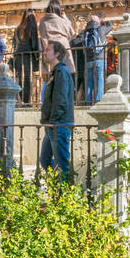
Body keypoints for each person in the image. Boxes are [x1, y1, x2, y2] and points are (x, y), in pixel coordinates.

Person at [38, 39, 75, 186]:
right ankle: (57, 187)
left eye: (48, 50)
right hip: (52, 125)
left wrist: (53, 121)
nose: (44, 52)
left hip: (59, 124)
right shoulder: (54, 72)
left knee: (62, 164)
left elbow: (61, 100)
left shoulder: (61, 72)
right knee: (45, 160)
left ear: (57, 54)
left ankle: (65, 196)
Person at [38, 0, 77, 87]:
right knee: (64, 75)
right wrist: (65, 19)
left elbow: (42, 34)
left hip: (49, 47)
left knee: (49, 80)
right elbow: (71, 33)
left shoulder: (43, 20)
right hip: (63, 48)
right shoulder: (61, 20)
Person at [13, 9, 39, 105]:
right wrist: (37, 56)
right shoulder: (32, 27)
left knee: (20, 78)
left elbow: (14, 44)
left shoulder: (18, 28)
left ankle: (22, 99)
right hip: (28, 56)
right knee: (28, 79)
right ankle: (27, 101)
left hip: (18, 56)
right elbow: (34, 44)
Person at [83, 13, 107, 105]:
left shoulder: (86, 31)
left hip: (89, 60)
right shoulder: (101, 28)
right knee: (100, 80)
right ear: (98, 21)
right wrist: (103, 22)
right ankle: (98, 101)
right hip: (100, 58)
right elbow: (111, 26)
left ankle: (88, 102)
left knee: (89, 82)